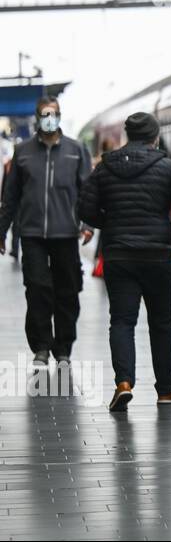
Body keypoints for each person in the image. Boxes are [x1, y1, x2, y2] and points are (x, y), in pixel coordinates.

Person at [78, 112, 171, 412]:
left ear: (128, 136)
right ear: (155, 137)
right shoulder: (167, 167)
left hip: (118, 254)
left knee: (121, 320)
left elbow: (85, 207)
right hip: (158, 255)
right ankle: (166, 390)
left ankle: (123, 383)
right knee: (161, 323)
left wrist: (109, 222)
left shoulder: (106, 167)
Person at [0, 98, 93, 368]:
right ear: (37, 117)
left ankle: (63, 346)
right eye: (44, 114)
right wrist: (2, 231)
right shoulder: (23, 152)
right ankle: (41, 345)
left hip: (66, 234)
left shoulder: (76, 150)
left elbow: (86, 192)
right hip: (32, 234)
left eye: (53, 114)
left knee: (68, 291)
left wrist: (87, 225)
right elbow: (11, 196)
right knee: (38, 289)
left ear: (60, 116)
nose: (49, 119)